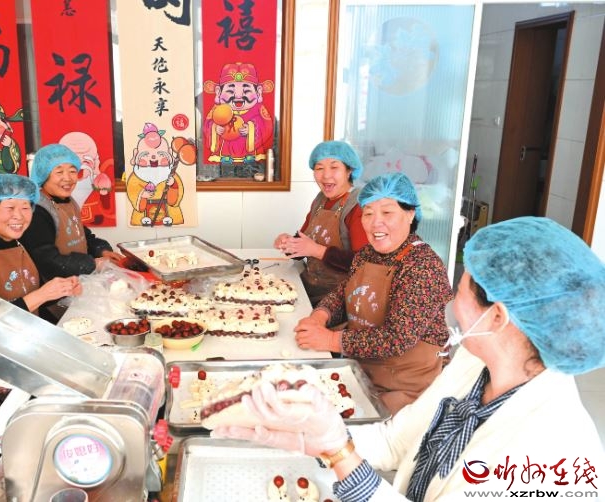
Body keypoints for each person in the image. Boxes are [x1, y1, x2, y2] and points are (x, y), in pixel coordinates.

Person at [213, 216, 605, 501]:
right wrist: (319, 436)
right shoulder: (476, 365)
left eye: (462, 287)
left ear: (497, 317)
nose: (451, 301)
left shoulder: (551, 451)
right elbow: (397, 441)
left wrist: (341, 455)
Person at [294, 172, 452, 414]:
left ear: (410, 214)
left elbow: (397, 338)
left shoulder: (423, 266)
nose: (375, 222)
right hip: (361, 371)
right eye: (368, 213)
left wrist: (330, 340)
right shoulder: (368, 253)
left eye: (387, 213)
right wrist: (320, 315)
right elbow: (343, 294)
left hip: (403, 390)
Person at [0, 173, 82, 317]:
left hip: (29, 327)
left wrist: (62, 289)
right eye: (10, 207)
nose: (19, 216)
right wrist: (42, 295)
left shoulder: (23, 240)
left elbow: (33, 295)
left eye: (25, 208)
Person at [20, 144, 124, 319]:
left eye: (72, 171)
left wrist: (102, 250)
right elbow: (47, 260)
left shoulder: (67, 201)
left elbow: (82, 235)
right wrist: (94, 263)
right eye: (59, 172)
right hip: (53, 299)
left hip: (76, 287)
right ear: (43, 174)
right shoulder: (38, 211)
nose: (67, 178)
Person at [274, 140, 368, 306]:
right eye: (319, 168)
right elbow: (304, 242)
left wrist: (316, 250)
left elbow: (364, 264)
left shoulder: (358, 205)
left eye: (334, 167)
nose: (326, 175)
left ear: (349, 171)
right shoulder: (321, 199)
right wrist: (288, 243)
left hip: (341, 301)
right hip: (311, 289)